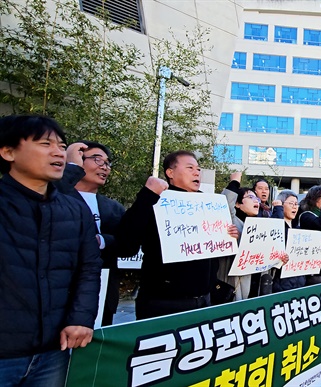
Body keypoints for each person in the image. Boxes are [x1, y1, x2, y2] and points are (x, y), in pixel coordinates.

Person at [0, 115, 102, 386]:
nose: (58, 151)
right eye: (45, 143)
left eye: (61, 145)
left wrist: (81, 318)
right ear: (8, 151)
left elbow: (89, 268)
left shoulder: (74, 209)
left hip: (52, 351)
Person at [116, 151, 238, 320]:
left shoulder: (208, 204)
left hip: (203, 300)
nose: (197, 172)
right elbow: (126, 243)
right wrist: (147, 196)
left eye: (198, 169)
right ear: (170, 173)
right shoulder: (155, 199)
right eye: (190, 168)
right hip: (163, 302)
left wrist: (228, 235)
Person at [54, 141, 125, 326]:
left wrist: (102, 241)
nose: (104, 166)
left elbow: (127, 244)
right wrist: (70, 167)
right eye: (97, 159)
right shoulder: (56, 197)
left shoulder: (114, 208)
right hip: (60, 293)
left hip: (102, 295)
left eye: (107, 163)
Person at [271, 189, 305, 292]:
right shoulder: (274, 225)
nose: (295, 206)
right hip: (280, 283)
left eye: (296, 204)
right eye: (291, 203)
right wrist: (278, 210)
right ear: (281, 205)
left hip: (299, 281)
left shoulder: (298, 229)